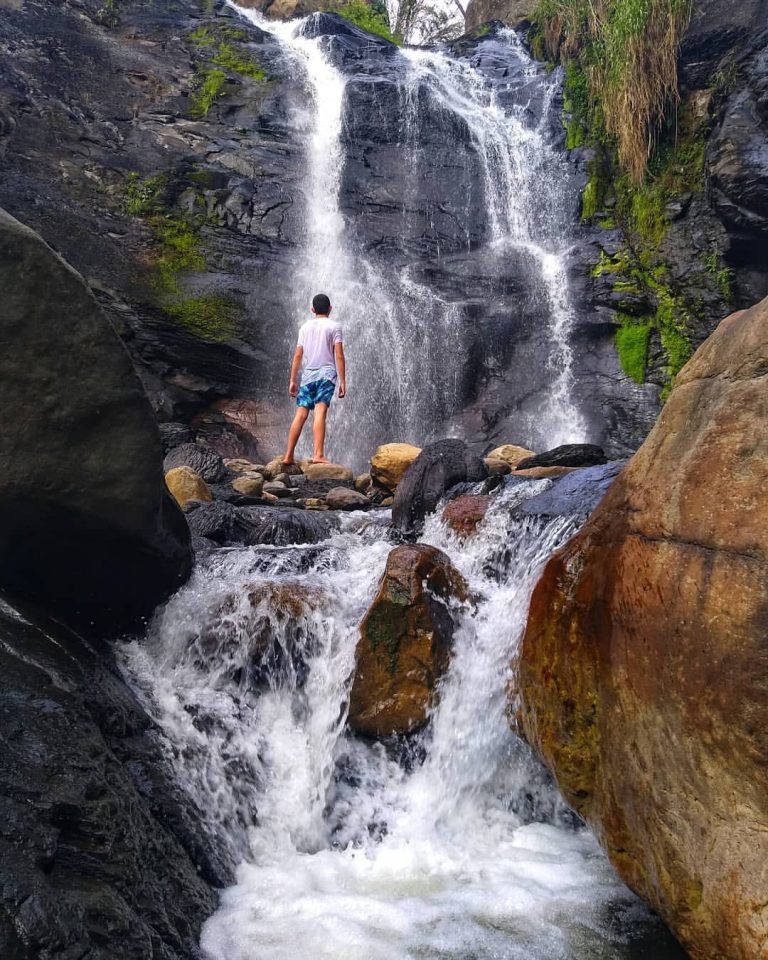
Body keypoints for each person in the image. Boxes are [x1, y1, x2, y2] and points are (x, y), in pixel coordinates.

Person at [282, 293, 346, 466]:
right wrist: (343, 381)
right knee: (320, 411)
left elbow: (297, 355)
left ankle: (288, 455)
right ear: (330, 309)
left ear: (312, 310)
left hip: (308, 375)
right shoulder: (334, 326)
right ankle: (318, 454)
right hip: (326, 374)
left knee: (301, 413)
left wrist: (293, 380)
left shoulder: (304, 327)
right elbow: (338, 355)